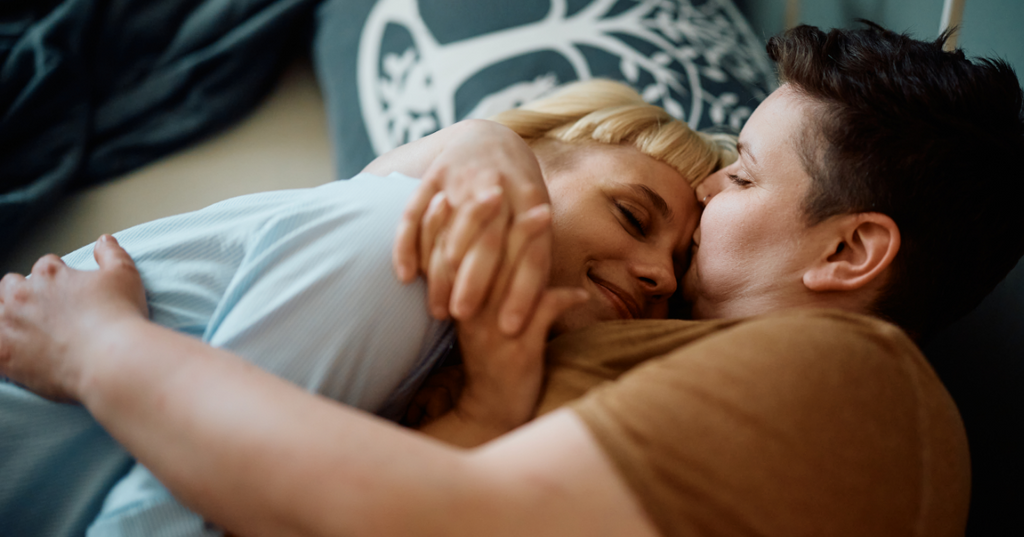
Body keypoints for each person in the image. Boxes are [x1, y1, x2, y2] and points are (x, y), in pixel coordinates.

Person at [3, 22, 1023, 537]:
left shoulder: (854, 378)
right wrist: (482, 142)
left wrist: (100, 347)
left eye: (742, 175)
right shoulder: (656, 340)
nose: (706, 191)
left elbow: (432, 519)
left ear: (849, 252)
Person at [0, 80, 733, 537]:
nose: (656, 278)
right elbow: (161, 525)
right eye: (634, 216)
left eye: (678, 267)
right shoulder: (404, 249)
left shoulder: (459, 351)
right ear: (527, 168)